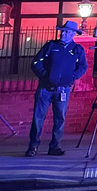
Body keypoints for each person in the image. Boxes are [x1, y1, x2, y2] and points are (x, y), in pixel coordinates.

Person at [26, 21, 88, 157]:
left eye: (66, 32)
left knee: (60, 118)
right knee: (38, 117)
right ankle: (33, 146)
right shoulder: (51, 45)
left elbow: (83, 67)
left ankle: (55, 146)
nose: (63, 33)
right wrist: (45, 76)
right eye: (62, 31)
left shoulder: (77, 49)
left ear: (73, 34)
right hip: (45, 88)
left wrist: (72, 77)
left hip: (63, 89)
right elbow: (36, 62)